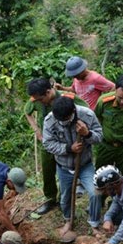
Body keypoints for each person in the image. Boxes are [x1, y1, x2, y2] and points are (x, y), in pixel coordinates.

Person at [24, 78, 89, 215]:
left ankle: (63, 200)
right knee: (48, 172)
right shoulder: (37, 99)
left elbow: (87, 112)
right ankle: (50, 199)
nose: (39, 102)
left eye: (41, 99)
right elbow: (27, 112)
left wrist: (82, 129)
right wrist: (37, 131)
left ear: (48, 92)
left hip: (68, 144)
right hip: (48, 143)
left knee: (65, 172)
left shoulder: (69, 99)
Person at [42, 96, 103, 235]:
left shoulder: (87, 115)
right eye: (61, 121)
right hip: (64, 166)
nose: (63, 123)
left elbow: (99, 137)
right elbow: (47, 144)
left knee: (95, 193)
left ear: (73, 111)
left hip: (85, 164)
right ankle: (68, 220)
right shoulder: (50, 120)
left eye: (67, 120)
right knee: (65, 197)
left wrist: (87, 134)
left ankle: (94, 223)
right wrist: (69, 148)